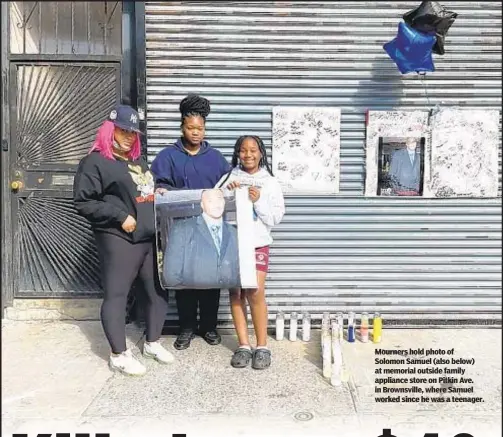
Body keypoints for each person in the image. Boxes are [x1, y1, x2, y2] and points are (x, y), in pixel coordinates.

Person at [73, 104, 173, 376]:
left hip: (147, 236)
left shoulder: (135, 161)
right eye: (123, 130)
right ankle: (119, 354)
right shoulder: (95, 162)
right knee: (117, 295)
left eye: (133, 132)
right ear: (110, 130)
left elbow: (140, 190)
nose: (129, 136)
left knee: (157, 291)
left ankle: (152, 342)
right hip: (119, 237)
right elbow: (84, 201)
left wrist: (157, 192)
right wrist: (119, 216)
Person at [150, 94, 231, 350]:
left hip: (210, 227)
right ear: (182, 127)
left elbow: (227, 186)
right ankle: (186, 328)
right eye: (190, 128)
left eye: (200, 128)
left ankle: (208, 327)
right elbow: (157, 184)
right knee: (184, 279)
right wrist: (161, 190)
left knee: (210, 278)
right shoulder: (168, 156)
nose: (196, 133)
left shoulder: (215, 158)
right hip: (180, 228)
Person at [217, 135, 285, 370]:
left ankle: (262, 346)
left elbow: (275, 217)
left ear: (261, 153)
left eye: (253, 150)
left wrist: (257, 201)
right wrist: (228, 194)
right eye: (243, 150)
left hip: (257, 243)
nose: (248, 155)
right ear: (237, 153)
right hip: (232, 244)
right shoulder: (229, 178)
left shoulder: (270, 182)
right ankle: (244, 345)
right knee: (236, 293)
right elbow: (213, 206)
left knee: (255, 290)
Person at [163, 189, 240, 289]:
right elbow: (171, 273)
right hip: (188, 295)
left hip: (220, 294)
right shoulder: (183, 228)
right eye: (210, 201)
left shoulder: (233, 232)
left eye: (219, 199)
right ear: (202, 205)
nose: (216, 205)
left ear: (224, 202)